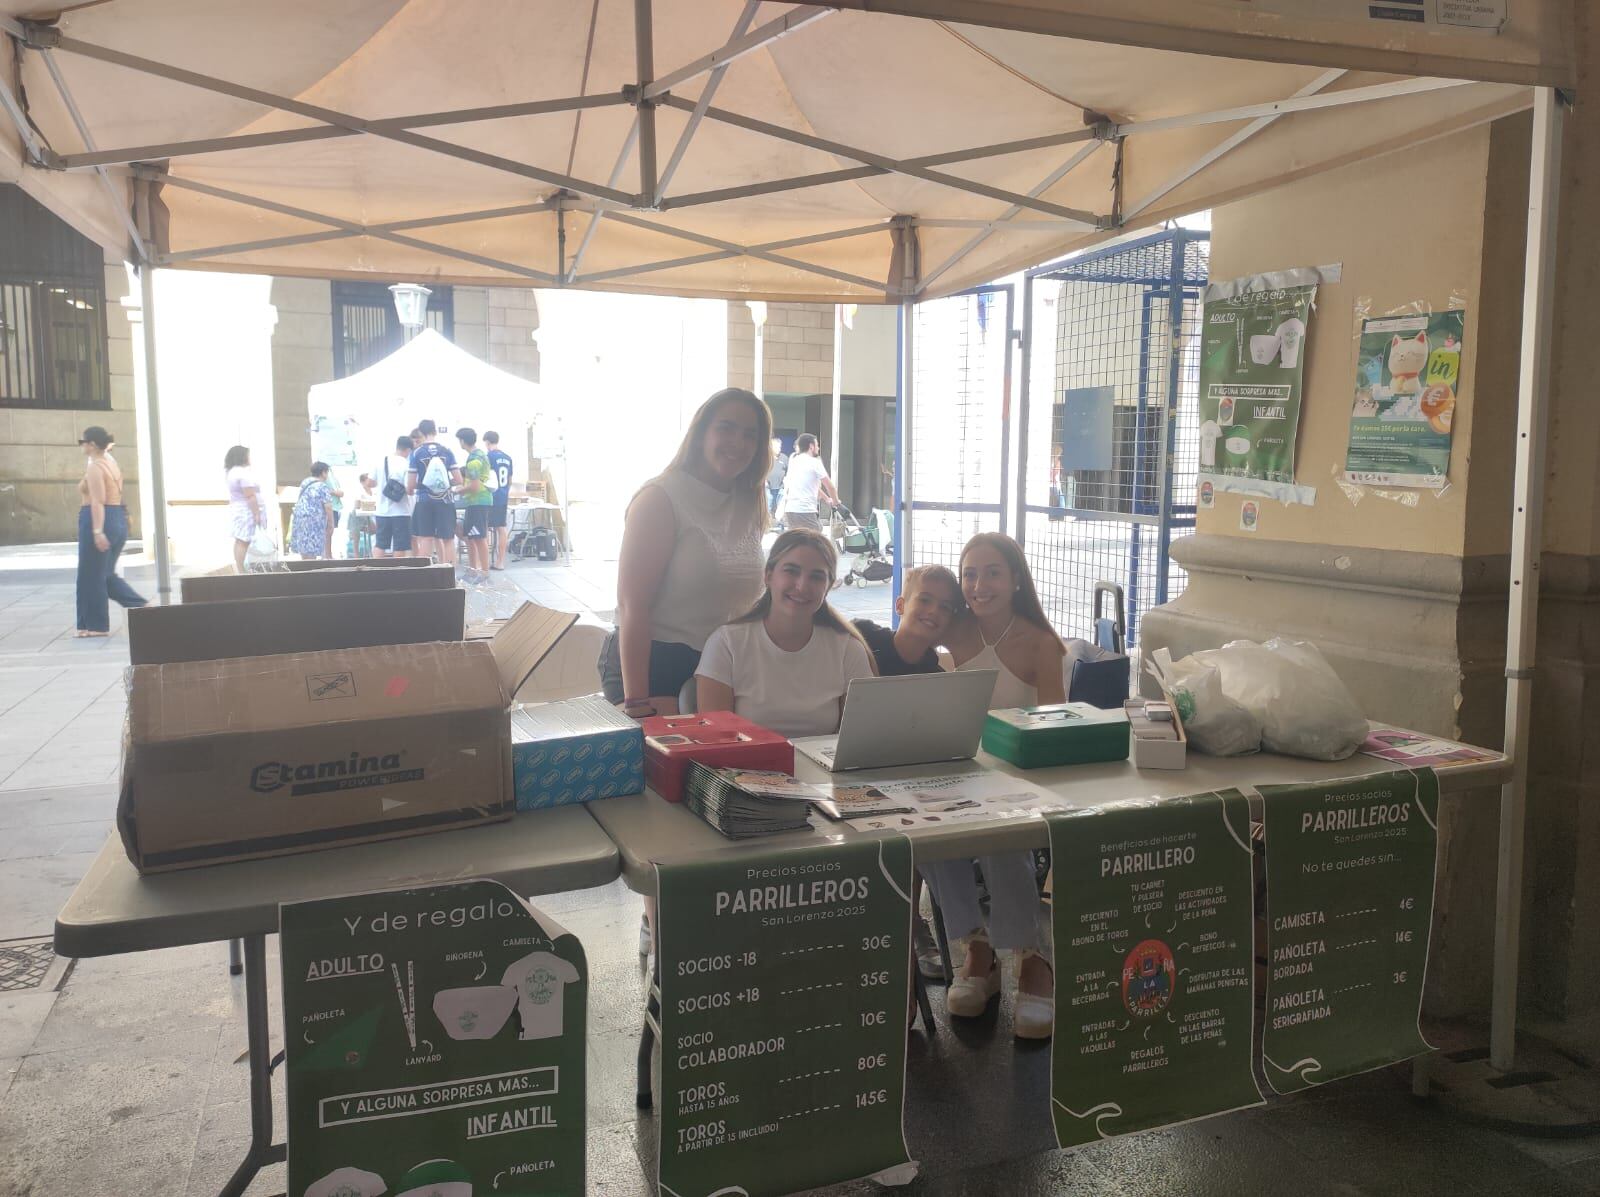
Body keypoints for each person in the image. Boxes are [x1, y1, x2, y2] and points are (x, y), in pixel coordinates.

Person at [923, 531, 1067, 1040]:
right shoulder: (952, 631)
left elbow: (1054, 726)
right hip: (956, 770)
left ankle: (1032, 957)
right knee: (927, 835)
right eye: (969, 574)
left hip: (1018, 780)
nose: (978, 585)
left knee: (1002, 837)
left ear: (1016, 580)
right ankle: (974, 947)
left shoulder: (1040, 642)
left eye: (991, 573)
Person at [604, 388, 771, 720]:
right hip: (655, 663)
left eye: (750, 435)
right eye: (726, 428)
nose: (737, 442)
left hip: (723, 664)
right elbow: (631, 606)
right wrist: (638, 702)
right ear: (700, 435)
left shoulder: (749, 499)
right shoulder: (660, 498)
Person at [695, 529, 875, 738]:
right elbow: (716, 741)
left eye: (816, 577)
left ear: (828, 586)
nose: (802, 585)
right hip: (743, 769)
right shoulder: (726, 644)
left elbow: (861, 736)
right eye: (791, 571)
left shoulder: (847, 649)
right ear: (768, 576)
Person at [75, 426, 146, 637]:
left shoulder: (96, 467)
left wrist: (97, 531)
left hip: (100, 518)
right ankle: (87, 624)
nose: (82, 445)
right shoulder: (110, 464)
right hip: (115, 517)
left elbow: (98, 500)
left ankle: (96, 625)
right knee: (101, 574)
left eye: (83, 441)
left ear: (92, 445)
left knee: (93, 575)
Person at [851, 564, 961, 676]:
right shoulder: (862, 636)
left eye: (945, 607)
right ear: (900, 606)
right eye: (925, 600)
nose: (934, 610)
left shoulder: (938, 680)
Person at [407, 419, 461, 564]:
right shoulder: (447, 451)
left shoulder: (416, 453)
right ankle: (451, 576)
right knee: (448, 538)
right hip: (445, 499)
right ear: (435, 431)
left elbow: (410, 485)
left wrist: (416, 487)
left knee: (425, 538)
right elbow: (459, 479)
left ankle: (424, 578)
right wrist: (443, 484)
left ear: (421, 432)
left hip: (424, 499)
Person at [778, 433, 838, 532]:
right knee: (815, 536)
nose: (818, 448)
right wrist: (836, 501)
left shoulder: (794, 461)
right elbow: (830, 486)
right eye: (817, 445)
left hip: (790, 510)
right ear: (811, 446)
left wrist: (827, 499)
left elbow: (810, 486)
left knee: (798, 540)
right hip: (805, 510)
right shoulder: (814, 462)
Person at [455, 426, 493, 574]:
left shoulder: (473, 461)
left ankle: (484, 572)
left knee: (479, 537)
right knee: (471, 536)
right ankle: (473, 570)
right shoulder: (481, 455)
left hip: (478, 501)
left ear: (463, 441)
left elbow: (475, 486)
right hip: (476, 502)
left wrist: (458, 490)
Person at [224, 444, 267, 573]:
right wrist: (257, 514)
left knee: (240, 540)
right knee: (244, 540)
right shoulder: (242, 473)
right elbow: (250, 495)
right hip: (246, 510)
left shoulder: (231, 472)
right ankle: (241, 569)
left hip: (238, 508)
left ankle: (239, 567)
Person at [371, 435, 414, 558]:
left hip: (381, 511)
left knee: (380, 544)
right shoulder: (406, 464)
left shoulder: (381, 461)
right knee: (400, 545)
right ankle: (396, 574)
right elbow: (409, 489)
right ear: (408, 450)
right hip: (401, 512)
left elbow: (370, 482)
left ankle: (374, 573)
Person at [288, 462, 336, 560]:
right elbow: (328, 507)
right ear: (323, 473)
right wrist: (331, 524)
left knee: (305, 548)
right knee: (312, 548)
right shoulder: (322, 486)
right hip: (314, 521)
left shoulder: (305, 482)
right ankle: (312, 570)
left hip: (300, 518)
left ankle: (306, 567)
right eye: (327, 472)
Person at [484, 430, 514, 570]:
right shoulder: (508, 458)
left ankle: (482, 561)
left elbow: (484, 478)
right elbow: (509, 480)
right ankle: (500, 561)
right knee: (501, 528)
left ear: (487, 442)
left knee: (484, 527)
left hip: (490, 496)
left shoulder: (488, 457)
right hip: (503, 496)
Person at [765, 436, 787, 520]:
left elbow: (789, 471)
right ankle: (766, 526)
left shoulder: (784, 458)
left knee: (780, 508)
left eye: (780, 447)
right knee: (768, 506)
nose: (779, 449)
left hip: (781, 487)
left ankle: (780, 525)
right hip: (768, 487)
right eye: (776, 447)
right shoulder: (766, 458)